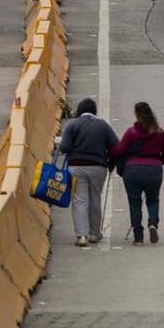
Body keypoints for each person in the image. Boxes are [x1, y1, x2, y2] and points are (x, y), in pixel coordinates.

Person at [107, 101, 164, 246]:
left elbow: (119, 151)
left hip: (132, 170)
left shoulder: (131, 133)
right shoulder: (160, 132)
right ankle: (153, 223)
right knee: (153, 200)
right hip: (154, 169)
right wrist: (158, 162)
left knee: (134, 202)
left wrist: (108, 152)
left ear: (137, 115)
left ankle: (138, 237)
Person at [58, 97, 118, 247]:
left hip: (76, 167)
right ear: (94, 111)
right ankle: (94, 233)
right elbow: (116, 146)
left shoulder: (73, 125)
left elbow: (64, 147)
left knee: (80, 200)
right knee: (95, 198)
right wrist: (111, 162)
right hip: (98, 167)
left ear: (79, 110)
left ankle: (81, 236)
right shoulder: (103, 125)